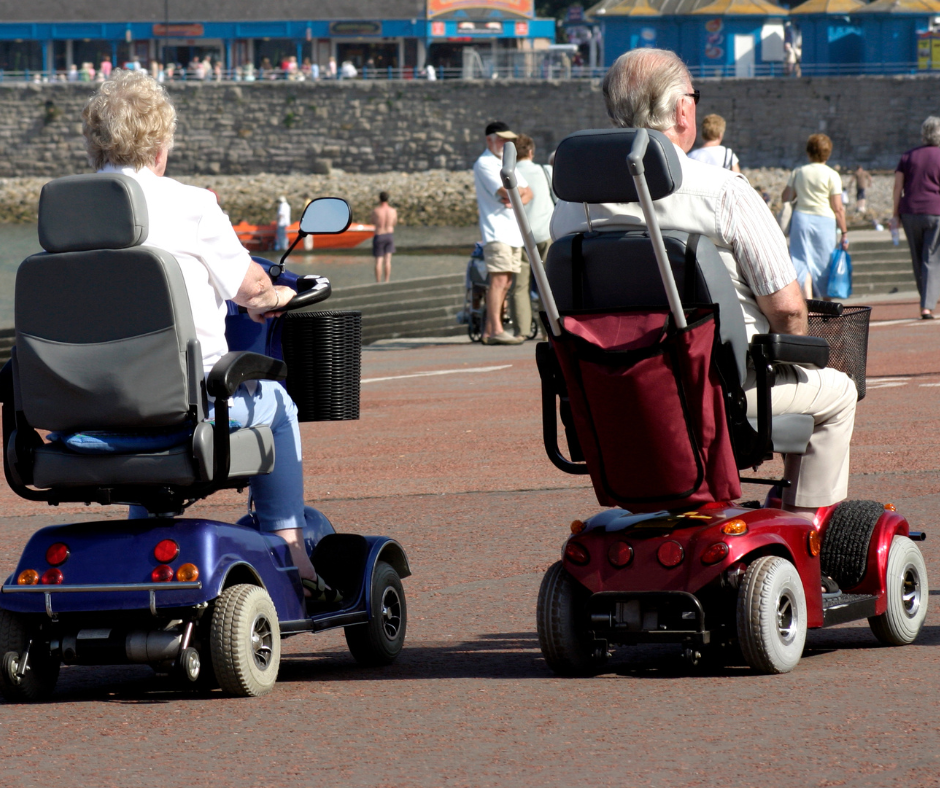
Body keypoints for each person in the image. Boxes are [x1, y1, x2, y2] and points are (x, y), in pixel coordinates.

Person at [551, 48, 857, 518]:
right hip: (723, 386)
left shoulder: (571, 208)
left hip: (612, 386)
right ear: (683, 109)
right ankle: (806, 529)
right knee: (836, 390)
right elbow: (789, 310)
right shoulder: (722, 192)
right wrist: (801, 358)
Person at [80, 70, 332, 598]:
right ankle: (291, 550)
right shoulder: (191, 204)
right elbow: (252, 290)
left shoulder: (65, 215)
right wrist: (278, 297)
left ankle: (139, 542)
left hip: (85, 414)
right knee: (277, 403)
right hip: (186, 410)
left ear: (95, 145)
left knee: (142, 404)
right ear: (159, 146)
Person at [473, 121, 532, 344]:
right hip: (496, 230)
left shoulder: (505, 162)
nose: (506, 143)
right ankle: (496, 329)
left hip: (511, 231)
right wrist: (515, 196)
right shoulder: (485, 163)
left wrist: (515, 197)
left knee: (506, 282)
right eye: (502, 139)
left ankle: (490, 330)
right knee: (498, 281)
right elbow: (505, 190)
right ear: (489, 140)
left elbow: (528, 193)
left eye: (509, 140)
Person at [781, 134, 849, 299]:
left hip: (801, 218)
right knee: (824, 261)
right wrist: (844, 232)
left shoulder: (799, 172)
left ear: (808, 152)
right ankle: (826, 302)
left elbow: (785, 197)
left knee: (801, 261)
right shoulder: (832, 175)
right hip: (824, 220)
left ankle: (808, 303)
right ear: (828, 153)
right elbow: (838, 207)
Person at [892, 116, 940, 319]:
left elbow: (898, 187)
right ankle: (927, 305)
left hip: (910, 211)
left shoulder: (907, 156)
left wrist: (894, 215)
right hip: (935, 211)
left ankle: (926, 299)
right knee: (931, 257)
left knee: (917, 258)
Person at [512, 133, 554, 339]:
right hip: (545, 233)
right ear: (531, 152)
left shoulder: (509, 175)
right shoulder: (546, 171)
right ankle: (549, 332)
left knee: (520, 286)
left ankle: (522, 331)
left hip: (519, 236)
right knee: (547, 285)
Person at [370, 191, 398, 283]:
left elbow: (373, 221)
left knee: (379, 261)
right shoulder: (393, 211)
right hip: (389, 235)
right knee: (388, 261)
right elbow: (394, 223)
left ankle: (378, 282)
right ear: (388, 199)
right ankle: (387, 281)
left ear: (379, 199)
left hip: (379, 234)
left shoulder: (376, 211)